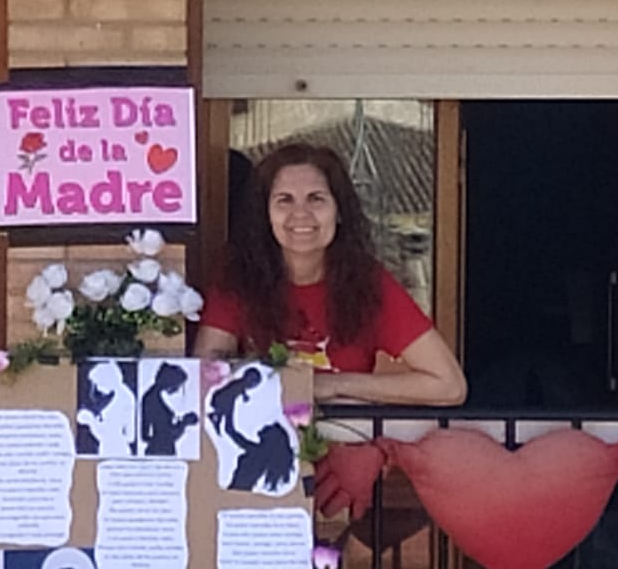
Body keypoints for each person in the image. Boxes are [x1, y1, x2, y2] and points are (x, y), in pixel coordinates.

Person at [193, 143, 468, 406]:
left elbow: (449, 385)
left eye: (316, 199)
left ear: (339, 211)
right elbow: (203, 372)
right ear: (265, 214)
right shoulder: (238, 279)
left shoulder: (368, 281)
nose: (301, 214)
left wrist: (331, 385)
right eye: (284, 200)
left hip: (348, 439)